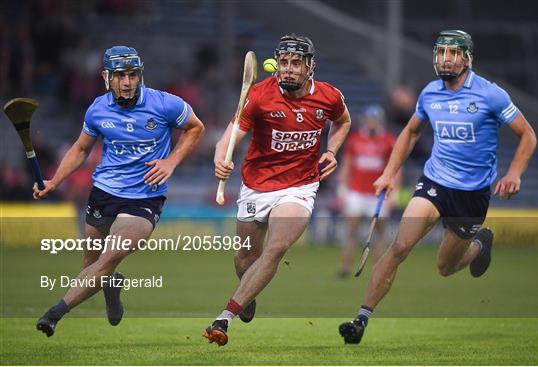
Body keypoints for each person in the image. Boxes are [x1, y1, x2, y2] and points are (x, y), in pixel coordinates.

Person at [339, 30, 537, 344]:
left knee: (445, 267)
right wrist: (390, 173)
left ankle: (480, 245)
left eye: (453, 53)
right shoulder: (430, 93)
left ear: (467, 58)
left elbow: (528, 135)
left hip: (471, 195)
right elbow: (410, 132)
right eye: (442, 52)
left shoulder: (491, 94)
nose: (446, 59)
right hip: (435, 182)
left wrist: (514, 173)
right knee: (400, 247)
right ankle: (361, 319)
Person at [34, 46, 205, 337]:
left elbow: (195, 128)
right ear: (106, 77)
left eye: (133, 75)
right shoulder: (97, 109)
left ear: (140, 76)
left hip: (144, 198)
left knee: (109, 258)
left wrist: (171, 162)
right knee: (92, 264)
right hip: (103, 193)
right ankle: (111, 288)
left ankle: (54, 314)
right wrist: (54, 181)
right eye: (120, 76)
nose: (127, 82)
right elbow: (80, 149)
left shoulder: (164, 104)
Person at [204, 34, 351, 346]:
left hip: (300, 187)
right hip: (257, 186)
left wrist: (332, 150)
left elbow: (343, 123)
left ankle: (224, 317)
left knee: (275, 249)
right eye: (284, 62)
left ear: (310, 67)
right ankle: (248, 293)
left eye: (296, 63)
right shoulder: (258, 96)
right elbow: (227, 140)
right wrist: (221, 161)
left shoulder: (329, 96)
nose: (288, 69)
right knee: (245, 259)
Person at [337, 105, 397, 278]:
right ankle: (345, 267)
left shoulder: (388, 140)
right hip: (356, 192)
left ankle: (377, 269)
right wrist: (342, 190)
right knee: (351, 231)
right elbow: (347, 165)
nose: (372, 122)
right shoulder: (355, 139)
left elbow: (395, 168)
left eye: (375, 119)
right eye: (370, 119)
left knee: (380, 233)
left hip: (378, 195)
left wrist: (393, 192)